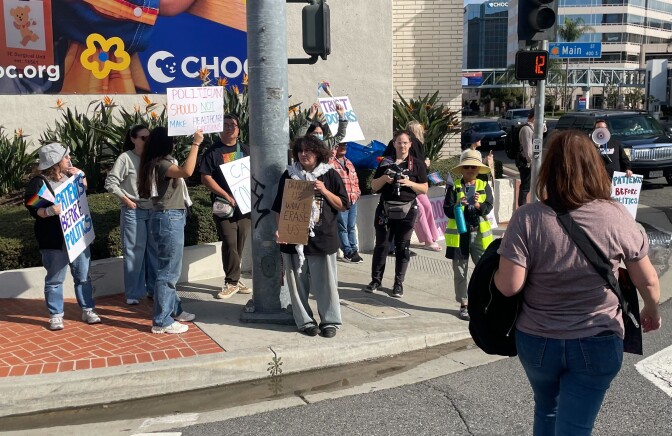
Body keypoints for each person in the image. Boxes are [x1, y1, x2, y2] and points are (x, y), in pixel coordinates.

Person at [494, 130, 661, 436]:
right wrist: (651, 309)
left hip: (537, 340)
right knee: (575, 427)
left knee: (546, 407)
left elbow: (509, 286)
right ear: (595, 167)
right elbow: (648, 281)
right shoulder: (615, 216)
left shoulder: (527, 217)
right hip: (597, 337)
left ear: (549, 168)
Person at [272, 135, 349, 338]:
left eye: (309, 150)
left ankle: (330, 321)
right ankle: (305, 321)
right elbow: (279, 207)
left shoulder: (330, 175)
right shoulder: (289, 175)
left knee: (326, 284)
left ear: (318, 152)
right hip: (293, 238)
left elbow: (342, 205)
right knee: (297, 284)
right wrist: (280, 228)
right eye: (300, 151)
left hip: (323, 237)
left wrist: (324, 190)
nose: (304, 154)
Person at [24, 143, 101, 330]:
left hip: (77, 237)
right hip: (54, 240)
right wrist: (50, 211)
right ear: (55, 162)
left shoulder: (71, 175)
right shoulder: (39, 183)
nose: (69, 160)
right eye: (66, 157)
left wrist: (81, 177)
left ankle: (88, 309)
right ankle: (56, 315)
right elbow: (33, 206)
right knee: (55, 279)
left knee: (83, 276)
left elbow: (82, 193)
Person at [138, 126, 203, 334]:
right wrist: (196, 144)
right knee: (168, 272)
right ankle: (162, 321)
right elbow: (187, 171)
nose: (175, 143)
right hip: (169, 218)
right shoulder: (163, 164)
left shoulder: (154, 162)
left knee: (166, 268)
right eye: (173, 141)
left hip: (165, 216)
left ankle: (174, 309)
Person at [365, 130, 428, 298]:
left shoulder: (417, 164)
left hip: (407, 210)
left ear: (410, 145)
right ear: (394, 144)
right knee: (381, 245)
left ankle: (398, 283)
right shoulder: (385, 163)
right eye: (399, 142)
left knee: (402, 247)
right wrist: (385, 178)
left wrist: (409, 182)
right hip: (385, 209)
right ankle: (375, 280)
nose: (402, 145)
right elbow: (374, 186)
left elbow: (424, 188)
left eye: (405, 142)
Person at [200, 114, 253, 299]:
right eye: (226, 124)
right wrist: (225, 195)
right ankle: (230, 282)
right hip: (224, 205)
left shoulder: (246, 150)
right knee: (229, 241)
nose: (230, 127)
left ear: (239, 130)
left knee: (240, 242)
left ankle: (235, 279)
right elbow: (206, 177)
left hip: (245, 206)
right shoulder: (212, 152)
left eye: (233, 125)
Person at [105, 124, 156, 305]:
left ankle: (153, 289)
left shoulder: (154, 157)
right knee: (134, 252)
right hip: (133, 211)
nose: (147, 140)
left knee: (154, 252)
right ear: (133, 139)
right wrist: (126, 200)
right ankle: (134, 293)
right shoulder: (125, 158)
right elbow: (111, 182)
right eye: (143, 137)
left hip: (153, 210)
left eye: (148, 137)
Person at [443, 150, 494, 320]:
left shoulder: (483, 185)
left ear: (478, 169)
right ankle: (464, 304)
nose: (470, 170)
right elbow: (447, 210)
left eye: (473, 167)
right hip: (460, 235)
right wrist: (458, 204)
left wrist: (479, 205)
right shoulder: (454, 186)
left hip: (479, 234)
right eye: (466, 167)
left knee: (485, 270)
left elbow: (489, 206)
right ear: (462, 169)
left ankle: (483, 301)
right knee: (460, 271)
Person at [406, 121, 442, 252]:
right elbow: (416, 164)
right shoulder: (415, 144)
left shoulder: (416, 145)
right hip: (411, 184)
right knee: (420, 209)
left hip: (417, 183)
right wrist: (425, 164)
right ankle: (428, 240)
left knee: (426, 206)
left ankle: (432, 237)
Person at [330, 142, 363, 263]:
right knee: (342, 226)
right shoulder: (331, 162)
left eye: (345, 145)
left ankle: (354, 249)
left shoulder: (349, 162)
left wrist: (357, 192)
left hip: (352, 199)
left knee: (351, 226)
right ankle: (347, 251)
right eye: (339, 145)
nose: (343, 147)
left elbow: (355, 179)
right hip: (341, 200)